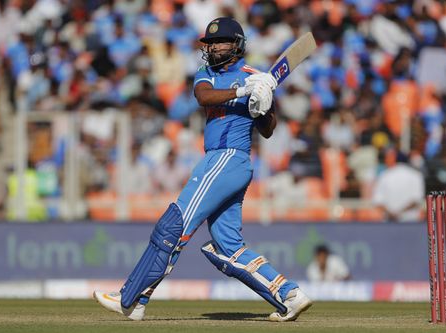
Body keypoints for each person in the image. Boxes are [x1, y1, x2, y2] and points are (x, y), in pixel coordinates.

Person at [94, 17, 312, 322]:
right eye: (209, 44)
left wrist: (262, 106)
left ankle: (131, 298)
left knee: (174, 225)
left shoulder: (256, 77)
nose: (212, 48)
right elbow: (203, 97)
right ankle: (289, 295)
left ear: (236, 45)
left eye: (219, 42)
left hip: (228, 158)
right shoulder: (207, 74)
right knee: (226, 246)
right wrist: (241, 91)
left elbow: (268, 130)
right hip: (224, 162)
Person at [372, 148, 425, 222]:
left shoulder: (384, 175)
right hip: (410, 222)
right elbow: (416, 200)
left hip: (390, 221)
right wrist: (400, 213)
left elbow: (378, 202)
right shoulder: (416, 175)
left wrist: (393, 214)